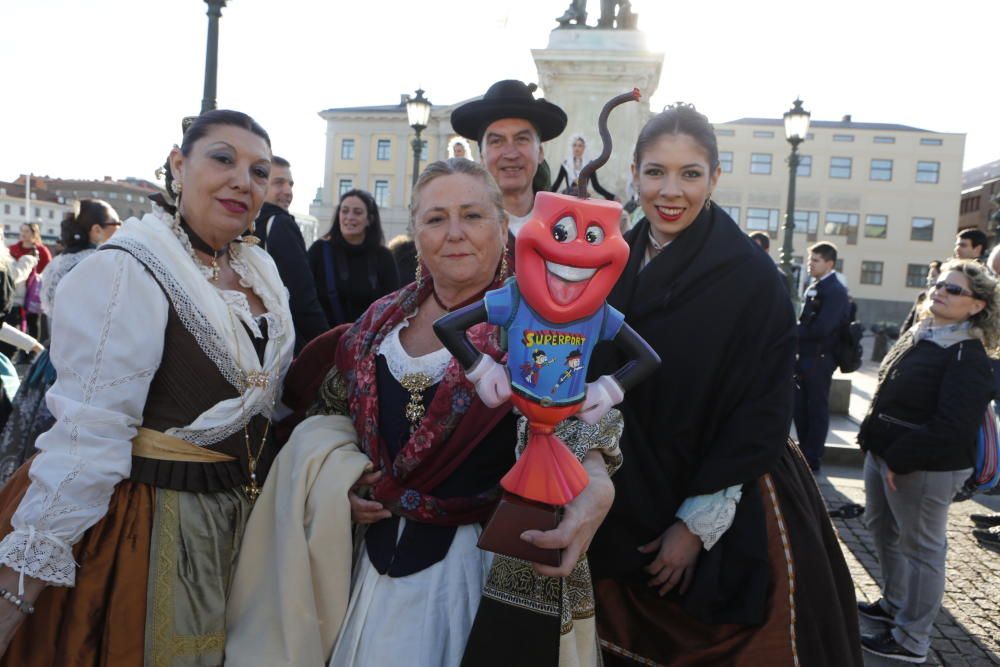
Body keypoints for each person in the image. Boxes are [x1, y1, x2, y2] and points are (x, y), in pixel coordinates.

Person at [226, 158, 623, 667]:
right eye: (436, 219)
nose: (454, 233)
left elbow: (581, 416)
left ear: (504, 229)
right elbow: (327, 417)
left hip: (475, 570)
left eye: (473, 216)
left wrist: (594, 472)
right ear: (414, 232)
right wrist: (339, 479)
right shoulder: (377, 323)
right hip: (371, 566)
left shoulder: (542, 324)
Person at [0, 110, 293, 665]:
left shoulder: (259, 271)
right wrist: (18, 589)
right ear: (179, 166)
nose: (242, 181)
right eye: (223, 159)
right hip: (148, 528)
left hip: (242, 523)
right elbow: (90, 433)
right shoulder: (128, 270)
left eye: (259, 171)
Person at [587, 104, 862, 666]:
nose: (671, 190)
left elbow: (760, 409)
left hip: (719, 486)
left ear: (714, 178)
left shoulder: (752, 278)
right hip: (621, 488)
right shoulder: (610, 262)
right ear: (633, 175)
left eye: (690, 173)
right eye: (655, 171)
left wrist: (695, 524)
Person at [858, 259, 997, 662]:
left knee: (922, 550)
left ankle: (911, 639)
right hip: (887, 456)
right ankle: (894, 605)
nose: (940, 291)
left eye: (954, 289)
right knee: (882, 529)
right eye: (938, 284)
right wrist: (872, 442)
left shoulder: (967, 355)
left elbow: (952, 426)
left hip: (924, 467)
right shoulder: (924, 332)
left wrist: (900, 459)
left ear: (977, 305)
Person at [0, 199, 121, 485]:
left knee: (32, 439)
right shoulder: (100, 263)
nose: (120, 230)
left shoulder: (60, 263)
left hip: (53, 357)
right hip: (86, 361)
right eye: (115, 225)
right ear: (96, 231)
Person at [451, 79, 567, 236]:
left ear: (540, 152)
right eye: (497, 141)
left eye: (521, 139)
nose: (511, 154)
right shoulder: (460, 231)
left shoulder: (567, 227)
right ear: (482, 157)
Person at [255, 155, 329, 353]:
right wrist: (326, 346)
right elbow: (302, 295)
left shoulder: (239, 224)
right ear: (260, 183)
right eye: (279, 183)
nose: (288, 191)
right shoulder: (281, 224)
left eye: (291, 184)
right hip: (278, 345)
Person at [794, 241, 851, 472]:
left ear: (830, 263)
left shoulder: (835, 290)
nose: (811, 264)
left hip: (820, 358)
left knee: (816, 408)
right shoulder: (815, 286)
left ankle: (812, 458)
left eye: (816, 260)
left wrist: (791, 331)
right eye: (810, 260)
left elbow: (822, 328)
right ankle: (804, 453)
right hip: (806, 356)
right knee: (801, 407)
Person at [307, 188, 399, 326]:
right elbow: (306, 298)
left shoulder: (384, 257)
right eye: (344, 211)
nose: (349, 217)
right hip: (326, 339)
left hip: (369, 342)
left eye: (357, 212)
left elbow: (393, 305)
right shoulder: (319, 251)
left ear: (369, 219)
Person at [4, 223, 51, 348]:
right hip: (16, 291)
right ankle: (20, 349)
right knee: (15, 322)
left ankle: (31, 352)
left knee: (33, 321)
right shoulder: (12, 249)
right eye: (22, 231)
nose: (23, 234)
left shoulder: (42, 251)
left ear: (34, 234)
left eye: (27, 231)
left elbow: (49, 270)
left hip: (34, 291)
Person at [551, 134, 616, 200]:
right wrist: (546, 194)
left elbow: (596, 186)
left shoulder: (589, 165)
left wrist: (612, 196)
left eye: (580, 145)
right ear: (572, 147)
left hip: (582, 197)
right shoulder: (565, 164)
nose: (577, 148)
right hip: (568, 196)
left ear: (584, 147)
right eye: (575, 145)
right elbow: (557, 184)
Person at [899, 259, 942, 336]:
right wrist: (903, 338)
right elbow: (910, 320)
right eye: (928, 275)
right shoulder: (922, 296)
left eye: (933, 276)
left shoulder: (943, 298)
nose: (929, 278)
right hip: (915, 337)